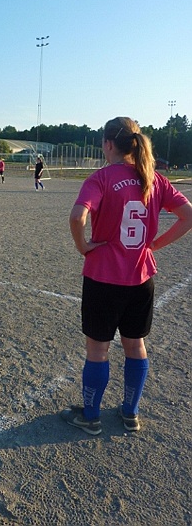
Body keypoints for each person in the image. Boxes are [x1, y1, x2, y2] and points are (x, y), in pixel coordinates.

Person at [61, 116, 192, 436]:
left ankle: (91, 416)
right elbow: (188, 215)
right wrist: (154, 245)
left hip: (103, 277)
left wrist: (83, 247)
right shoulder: (154, 179)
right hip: (141, 277)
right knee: (136, 345)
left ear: (108, 144)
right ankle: (130, 413)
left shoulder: (102, 178)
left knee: (98, 350)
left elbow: (77, 217)